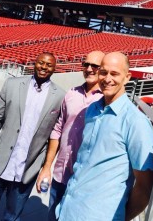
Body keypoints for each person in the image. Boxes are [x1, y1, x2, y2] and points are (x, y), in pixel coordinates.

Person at [56, 52, 153, 221]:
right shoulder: (92, 109)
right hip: (68, 210)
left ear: (127, 77)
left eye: (114, 73)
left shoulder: (136, 122)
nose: (107, 78)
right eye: (103, 72)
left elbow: (144, 188)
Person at [0, 52, 65, 221]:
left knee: (12, 217)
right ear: (34, 63)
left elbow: (55, 134)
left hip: (28, 167)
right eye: (41, 63)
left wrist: (45, 166)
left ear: (54, 68)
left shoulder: (60, 96)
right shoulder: (12, 84)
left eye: (49, 65)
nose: (44, 67)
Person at [36, 50, 105, 221]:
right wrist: (47, 167)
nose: (89, 69)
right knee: (52, 215)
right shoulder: (71, 94)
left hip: (85, 178)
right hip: (61, 173)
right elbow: (57, 130)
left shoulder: (107, 100)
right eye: (86, 64)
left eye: (94, 66)